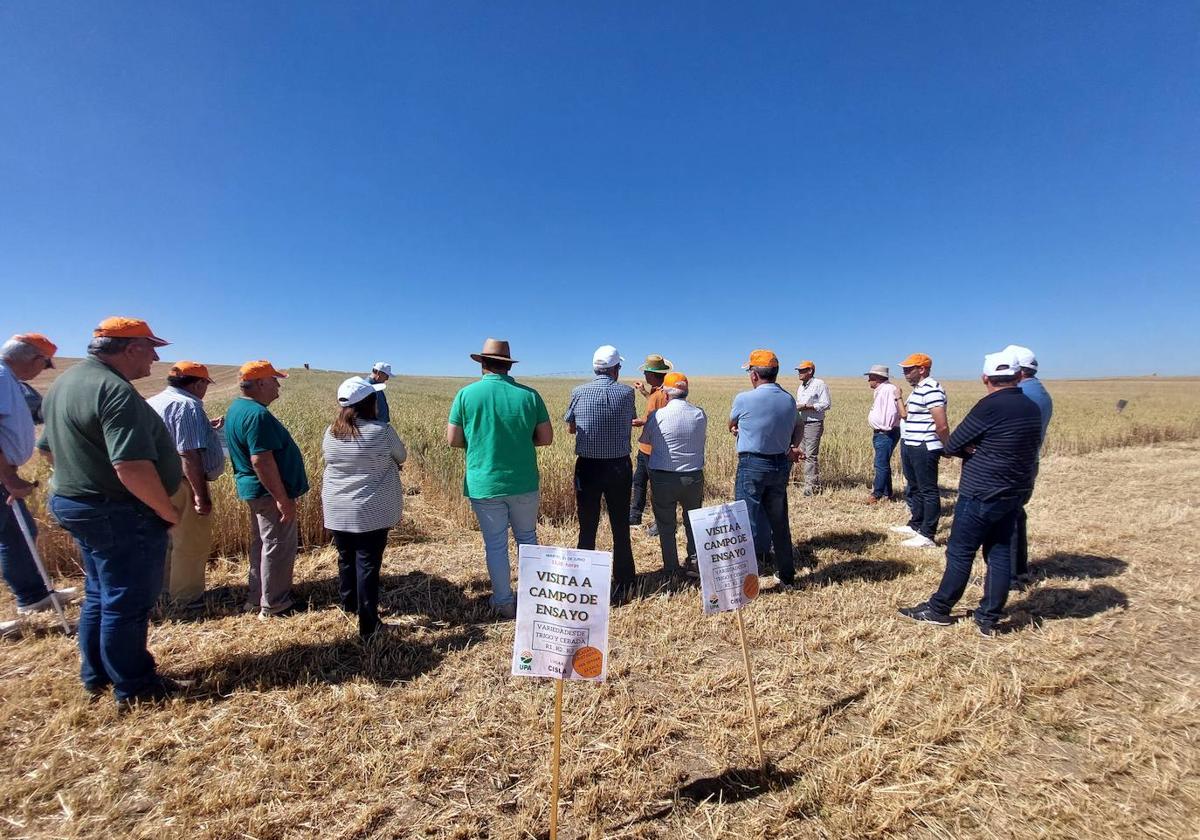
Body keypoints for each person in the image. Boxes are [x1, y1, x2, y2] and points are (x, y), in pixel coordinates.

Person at [39, 317, 184, 708]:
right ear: (130, 347)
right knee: (127, 600)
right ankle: (135, 686)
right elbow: (131, 466)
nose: (155, 358)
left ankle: (96, 674)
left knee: (101, 594)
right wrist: (165, 509)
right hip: (119, 511)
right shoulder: (114, 391)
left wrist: (84, 473)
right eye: (151, 348)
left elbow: (48, 450)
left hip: (80, 504)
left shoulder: (65, 384)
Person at [899, 350, 1043, 635]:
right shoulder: (1031, 407)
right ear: (1017, 377)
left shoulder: (989, 406)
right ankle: (989, 616)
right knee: (999, 551)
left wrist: (968, 448)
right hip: (1015, 489)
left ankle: (939, 608)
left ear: (985, 378)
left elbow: (952, 444)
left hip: (981, 489)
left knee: (961, 550)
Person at [447, 339, 552, 619]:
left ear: (483, 364)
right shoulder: (530, 396)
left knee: (495, 544)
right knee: (527, 539)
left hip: (484, 482)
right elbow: (546, 438)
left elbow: (453, 439)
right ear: (507, 364)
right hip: (523, 481)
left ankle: (504, 602)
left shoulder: (466, 395)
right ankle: (534, 599)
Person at [1, 334, 79, 640]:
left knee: (20, 533)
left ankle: (33, 596)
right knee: (14, 534)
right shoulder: (1, 377)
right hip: (2, 474)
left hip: (5, 473)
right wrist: (7, 475)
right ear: (33, 359)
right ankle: (31, 596)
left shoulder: (8, 379)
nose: (43, 371)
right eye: (44, 364)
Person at [323, 376, 407, 638]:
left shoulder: (331, 432)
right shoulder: (381, 432)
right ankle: (369, 625)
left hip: (337, 508)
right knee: (368, 564)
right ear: (370, 403)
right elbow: (401, 456)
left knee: (345, 557)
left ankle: (348, 604)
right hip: (370, 511)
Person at [224, 360, 309, 618]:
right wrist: (282, 499)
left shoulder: (238, 408)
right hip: (268, 493)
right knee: (277, 545)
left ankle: (256, 597)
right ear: (260, 383)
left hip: (255, 491)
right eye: (274, 380)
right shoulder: (257, 415)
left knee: (261, 544)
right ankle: (275, 604)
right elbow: (261, 459)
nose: (277, 385)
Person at [146, 362, 226, 610]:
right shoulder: (187, 406)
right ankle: (187, 599)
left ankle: (163, 591)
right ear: (199, 383)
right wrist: (200, 496)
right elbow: (188, 454)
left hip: (155, 482)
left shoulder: (155, 402)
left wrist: (206, 428)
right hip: (182, 483)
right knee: (191, 540)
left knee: (166, 540)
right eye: (205, 384)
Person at [565, 345, 638, 597]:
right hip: (619, 466)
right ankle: (626, 581)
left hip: (588, 467)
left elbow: (571, 427)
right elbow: (630, 421)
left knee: (587, 525)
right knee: (620, 525)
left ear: (596, 368)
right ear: (616, 369)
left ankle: (584, 583)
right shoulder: (627, 393)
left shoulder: (578, 391)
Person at [729, 350, 804, 589]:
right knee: (779, 521)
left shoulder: (744, 399)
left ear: (753, 375)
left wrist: (739, 429)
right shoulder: (788, 399)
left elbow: (731, 424)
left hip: (752, 464)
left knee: (745, 520)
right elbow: (799, 426)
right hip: (781, 464)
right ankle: (787, 576)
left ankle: (744, 580)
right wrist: (792, 446)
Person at [639, 372, 706, 577]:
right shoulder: (699, 414)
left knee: (666, 525)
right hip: (693, 477)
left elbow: (645, 440)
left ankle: (670, 567)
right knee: (692, 520)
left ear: (666, 394)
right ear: (686, 391)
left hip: (663, 478)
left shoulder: (657, 416)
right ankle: (695, 560)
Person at [1005, 344, 1053, 585]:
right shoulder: (1039, 391)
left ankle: (1010, 576)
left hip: (1012, 466)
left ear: (1018, 371)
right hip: (1026, 462)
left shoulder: (1023, 396)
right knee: (1015, 515)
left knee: (1007, 518)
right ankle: (1018, 569)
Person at [890, 353, 948, 548]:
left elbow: (941, 424)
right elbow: (905, 415)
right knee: (914, 485)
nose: (905, 373)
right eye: (904, 369)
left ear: (922, 369)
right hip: (911, 443)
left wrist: (947, 445)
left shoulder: (931, 389)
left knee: (928, 489)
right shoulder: (918, 390)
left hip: (924, 445)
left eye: (909, 369)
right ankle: (915, 524)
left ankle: (927, 534)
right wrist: (898, 398)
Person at [629, 354, 673, 534]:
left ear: (653, 375)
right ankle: (635, 516)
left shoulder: (659, 395)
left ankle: (652, 521)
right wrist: (644, 392)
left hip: (650, 449)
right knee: (642, 482)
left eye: (647, 372)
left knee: (649, 484)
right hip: (651, 447)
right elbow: (655, 406)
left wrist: (640, 422)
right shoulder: (662, 392)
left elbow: (655, 420)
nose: (645, 375)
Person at [864, 364, 902, 503]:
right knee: (883, 462)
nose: (868, 380)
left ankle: (877, 494)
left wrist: (885, 428)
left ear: (877, 378)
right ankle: (888, 492)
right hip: (882, 432)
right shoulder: (884, 389)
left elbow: (892, 411)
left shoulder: (887, 390)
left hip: (885, 433)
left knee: (880, 463)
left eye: (870, 377)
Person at [793, 360, 831, 496]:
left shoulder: (819, 384)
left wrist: (808, 407)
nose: (799, 373)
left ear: (810, 371)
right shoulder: (801, 387)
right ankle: (804, 482)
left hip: (814, 423)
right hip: (801, 422)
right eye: (799, 370)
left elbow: (826, 404)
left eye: (802, 370)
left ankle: (811, 488)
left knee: (810, 455)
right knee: (801, 453)